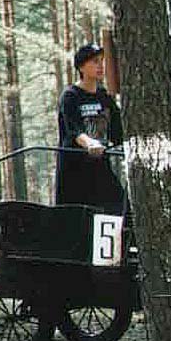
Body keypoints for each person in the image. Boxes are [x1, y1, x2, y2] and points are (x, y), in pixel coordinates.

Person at [55, 43, 125, 214]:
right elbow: (74, 131)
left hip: (100, 167)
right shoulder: (70, 96)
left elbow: (119, 132)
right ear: (81, 67)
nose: (101, 66)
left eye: (102, 61)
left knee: (121, 209)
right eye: (95, 61)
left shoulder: (104, 97)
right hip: (74, 170)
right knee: (77, 220)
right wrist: (90, 144)